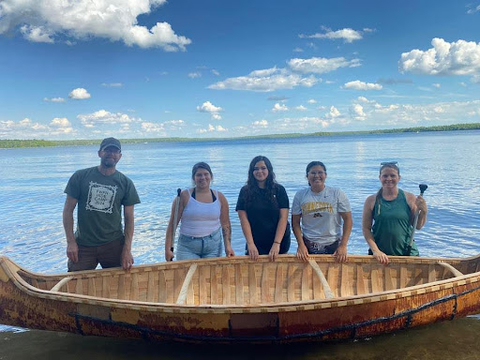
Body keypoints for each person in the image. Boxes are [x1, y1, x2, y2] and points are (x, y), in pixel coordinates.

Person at [63, 137, 140, 272]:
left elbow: (129, 219)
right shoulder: (80, 177)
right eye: (107, 150)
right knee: (74, 283)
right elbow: (68, 211)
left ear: (120, 156)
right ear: (99, 153)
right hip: (83, 245)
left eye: (115, 151)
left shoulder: (125, 183)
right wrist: (71, 242)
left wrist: (127, 250)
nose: (111, 154)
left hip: (114, 244)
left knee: (120, 284)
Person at [165, 162, 234, 261]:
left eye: (206, 174)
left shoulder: (220, 197)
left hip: (213, 245)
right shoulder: (184, 196)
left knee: (210, 276)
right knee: (188, 275)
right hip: (188, 246)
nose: (203, 177)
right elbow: (172, 224)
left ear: (211, 176)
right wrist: (168, 249)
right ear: (194, 178)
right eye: (199, 175)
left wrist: (228, 246)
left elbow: (226, 224)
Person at [362, 161, 428, 264]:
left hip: (407, 253)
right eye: (385, 176)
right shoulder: (371, 200)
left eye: (393, 175)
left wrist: (423, 211)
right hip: (381, 256)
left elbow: (418, 226)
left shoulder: (409, 198)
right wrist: (376, 251)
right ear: (380, 178)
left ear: (399, 178)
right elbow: (366, 229)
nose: (389, 179)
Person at [292, 161, 352, 263]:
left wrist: (343, 245)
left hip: (333, 243)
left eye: (320, 172)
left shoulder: (337, 193)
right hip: (309, 244)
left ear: (325, 175)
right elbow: (295, 223)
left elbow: (348, 220)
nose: (317, 176)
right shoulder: (300, 195)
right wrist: (301, 245)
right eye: (313, 173)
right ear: (307, 176)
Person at [236, 156, 291, 261]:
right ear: (251, 172)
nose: (259, 171)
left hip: (279, 239)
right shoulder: (245, 191)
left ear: (269, 170)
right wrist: (250, 243)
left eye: (263, 168)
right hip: (255, 241)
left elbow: (283, 219)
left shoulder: (279, 190)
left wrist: (276, 243)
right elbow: (243, 220)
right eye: (255, 169)